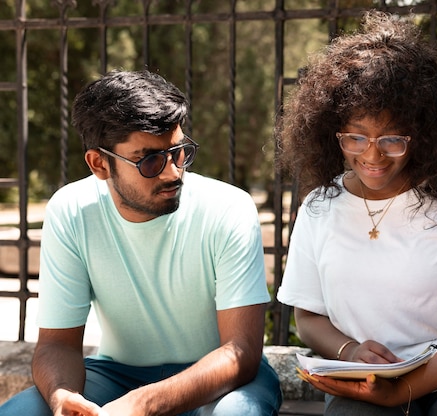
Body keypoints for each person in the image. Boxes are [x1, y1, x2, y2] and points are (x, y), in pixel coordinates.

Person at [276, 11, 437, 416]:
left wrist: (404, 391)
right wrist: (350, 350)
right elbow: (308, 315)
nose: (372, 154)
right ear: (333, 133)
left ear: (425, 133)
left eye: (392, 138)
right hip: (368, 383)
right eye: (355, 137)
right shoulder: (319, 207)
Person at [0, 70, 282, 416]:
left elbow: (241, 351)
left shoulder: (228, 208)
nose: (172, 172)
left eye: (178, 152)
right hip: (118, 375)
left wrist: (144, 404)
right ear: (99, 164)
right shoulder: (71, 210)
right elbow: (58, 344)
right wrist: (63, 397)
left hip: (221, 378)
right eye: (150, 160)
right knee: (22, 412)